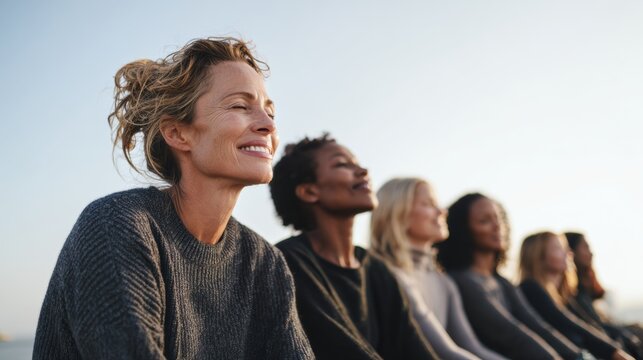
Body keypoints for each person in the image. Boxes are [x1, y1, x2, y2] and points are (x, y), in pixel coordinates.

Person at [33, 37, 313, 359]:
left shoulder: (265, 264)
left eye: (270, 112)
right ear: (178, 133)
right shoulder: (118, 226)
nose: (268, 125)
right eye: (239, 105)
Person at [269, 134, 438, 360]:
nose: (362, 171)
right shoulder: (287, 262)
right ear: (309, 192)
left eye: (357, 163)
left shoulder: (377, 268)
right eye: (342, 164)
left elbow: (413, 346)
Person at [370, 178, 507, 360]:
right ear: (397, 213)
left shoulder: (443, 281)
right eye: (428, 204)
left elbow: (471, 346)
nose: (441, 212)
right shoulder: (391, 274)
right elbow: (445, 352)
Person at [435, 193, 583, 360]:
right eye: (485, 221)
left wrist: (579, 356)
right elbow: (511, 334)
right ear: (463, 230)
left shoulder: (502, 282)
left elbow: (536, 326)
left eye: (498, 218)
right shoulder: (462, 281)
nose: (497, 226)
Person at [518, 231, 635, 360]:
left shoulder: (560, 294)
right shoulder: (530, 288)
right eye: (558, 248)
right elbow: (570, 323)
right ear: (539, 256)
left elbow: (588, 324)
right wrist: (614, 352)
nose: (568, 253)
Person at [566, 232, 643, 358]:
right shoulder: (573, 293)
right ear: (571, 252)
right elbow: (592, 326)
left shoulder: (584, 288)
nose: (591, 253)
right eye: (585, 247)